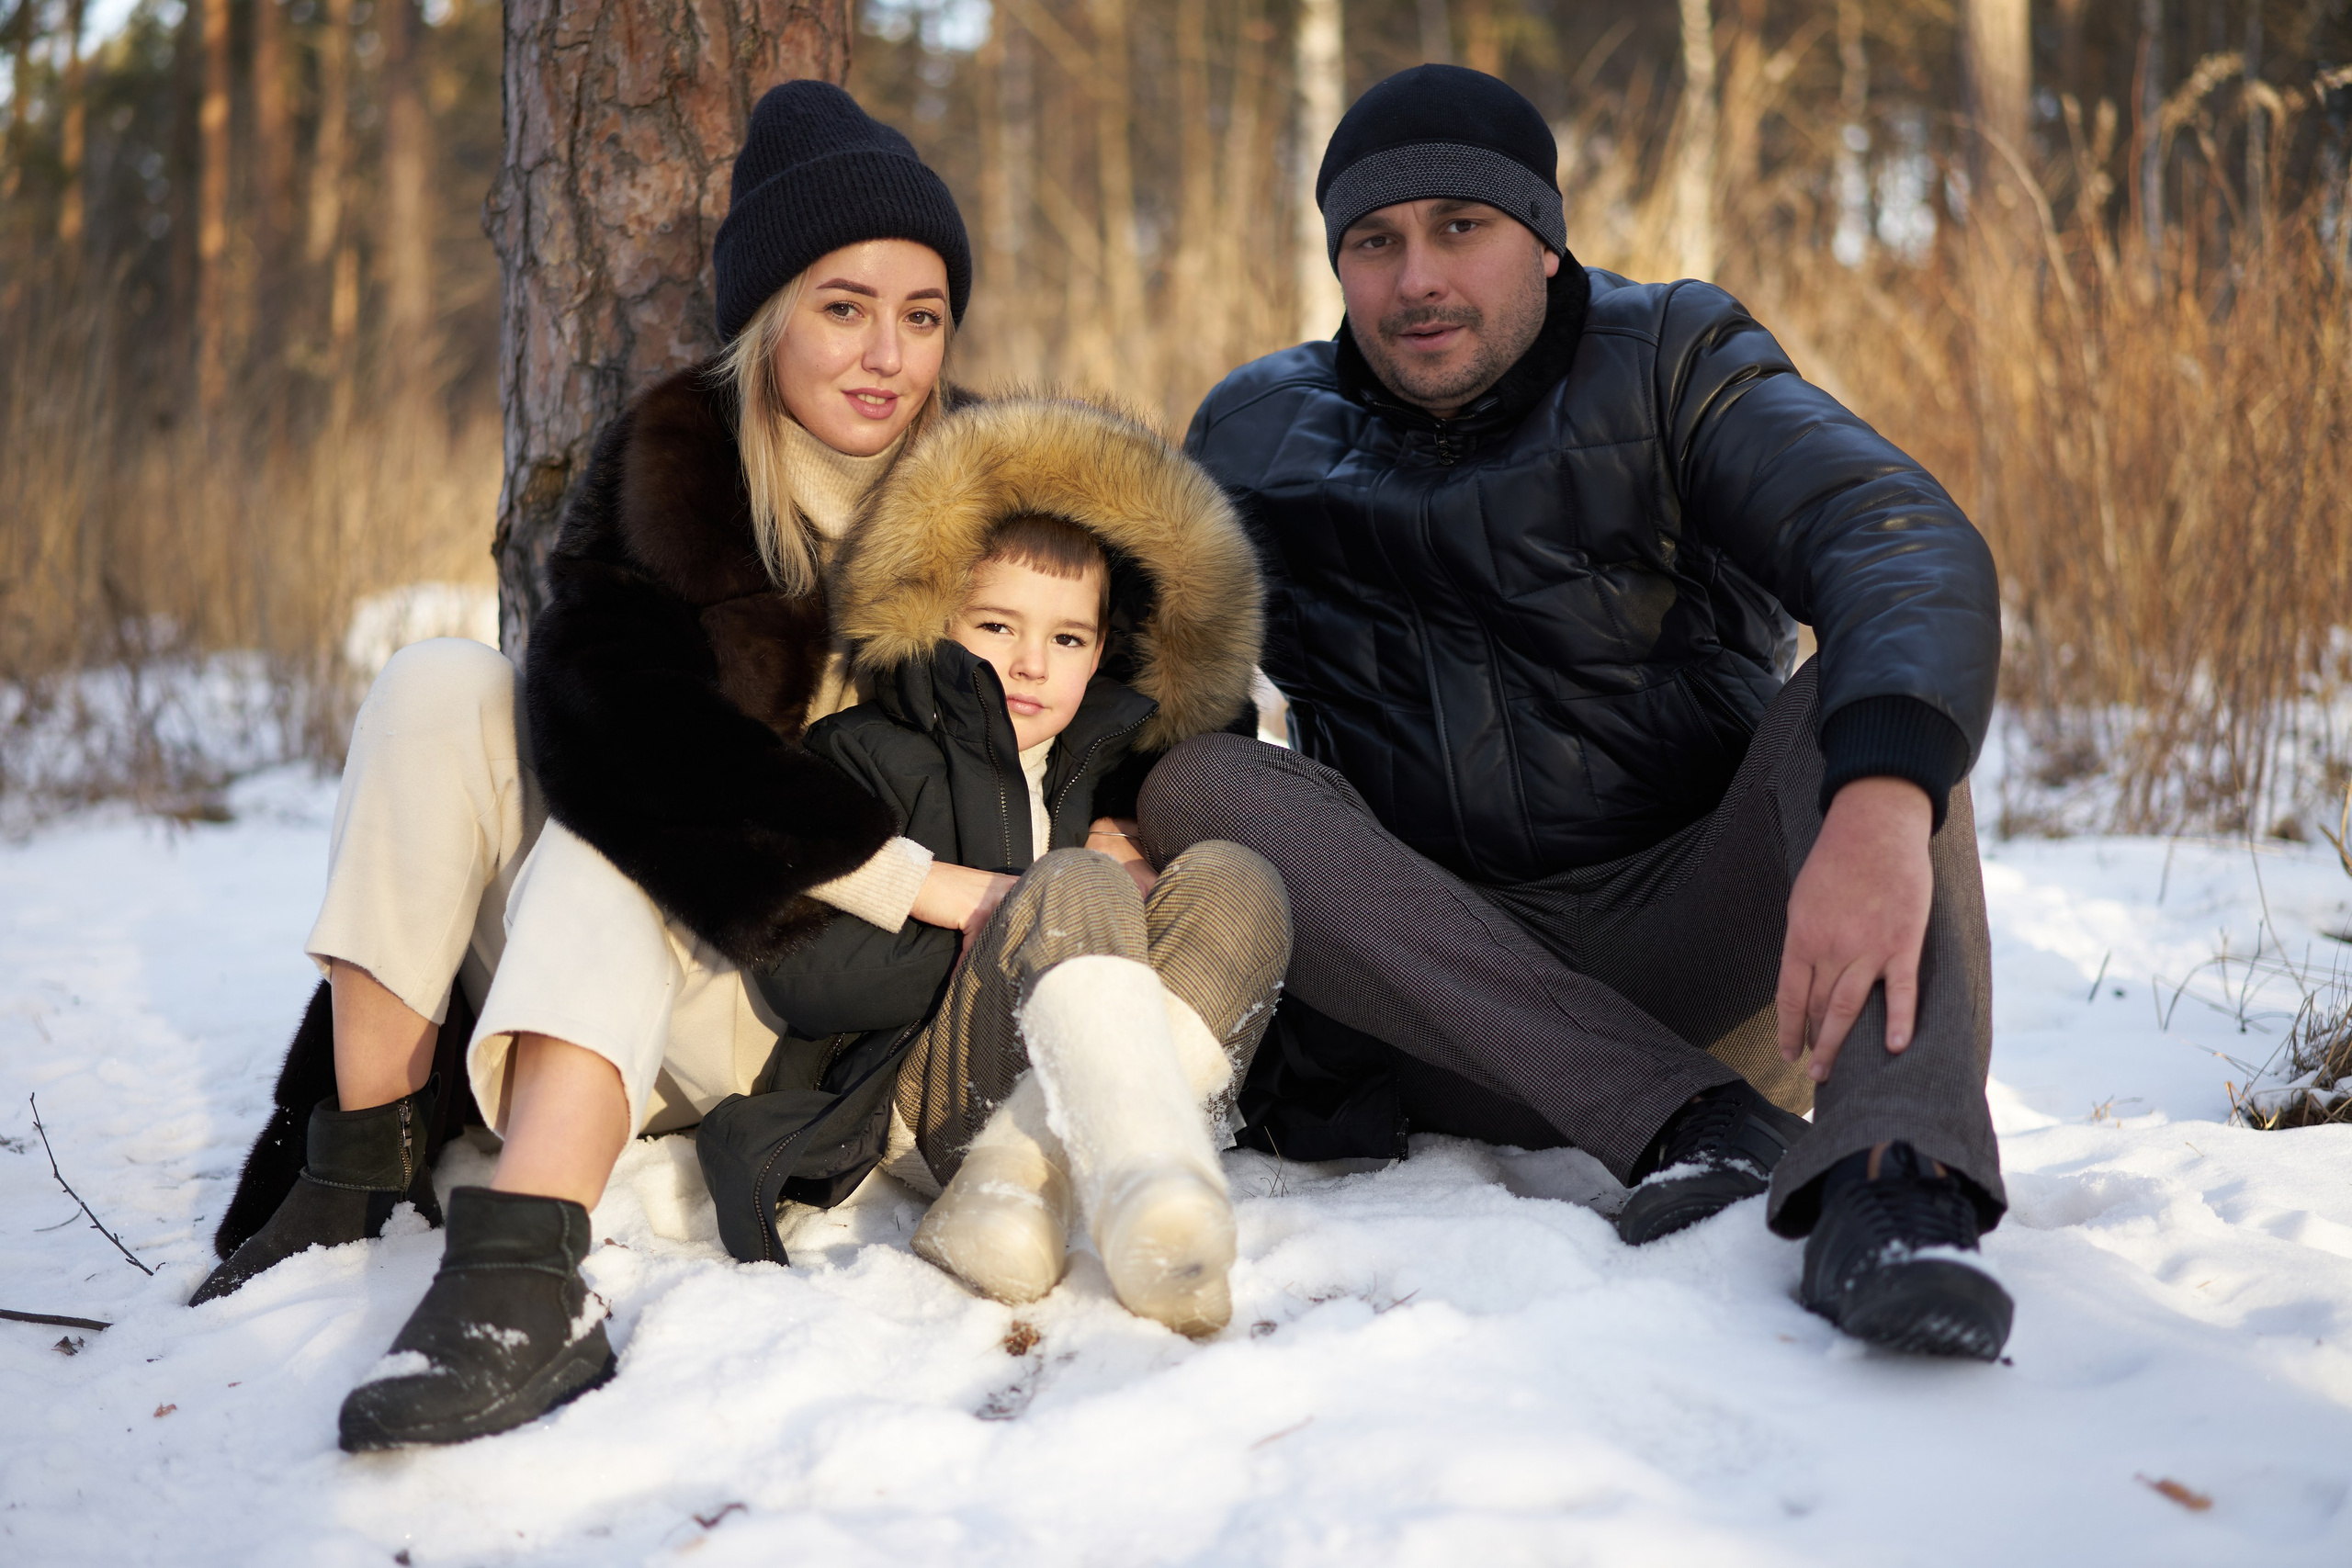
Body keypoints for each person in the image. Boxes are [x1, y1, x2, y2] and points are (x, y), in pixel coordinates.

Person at [181, 81, 1240, 1451]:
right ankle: (356, 1162)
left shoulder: (999, 480)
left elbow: (1154, 673)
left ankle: (522, 1273)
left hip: (806, 1002)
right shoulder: (679, 459)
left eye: (922, 315)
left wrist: (1129, 822)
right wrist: (905, 871)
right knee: (443, 688)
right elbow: (600, 705)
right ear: (769, 314)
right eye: (843, 306)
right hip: (650, 964)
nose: (887, 355)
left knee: (627, 823)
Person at [1148, 64, 2015, 1359]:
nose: (1417, 278)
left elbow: (1890, 532)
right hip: (1444, 989)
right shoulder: (1260, 431)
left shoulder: (1671, 358)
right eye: (1374, 243)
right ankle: (1680, 1118)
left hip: (1710, 938)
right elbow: (1138, 667)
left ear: (1544, 241)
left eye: (1461, 227)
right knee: (1194, 784)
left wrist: (1882, 799)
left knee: (1872, 695)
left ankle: (1894, 1184)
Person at [749, 406, 1284, 1336]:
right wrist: (1003, 924)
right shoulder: (863, 754)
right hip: (924, 1092)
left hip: (1060, 1089)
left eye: (1069, 639)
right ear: (935, 616)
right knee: (1073, 883)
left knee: (1241, 876)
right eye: (996, 625)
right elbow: (803, 977)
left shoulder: (1104, 770)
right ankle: (1149, 1183)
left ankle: (1011, 1194)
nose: (1030, 664)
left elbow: (1216, 728)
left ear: (1105, 650)